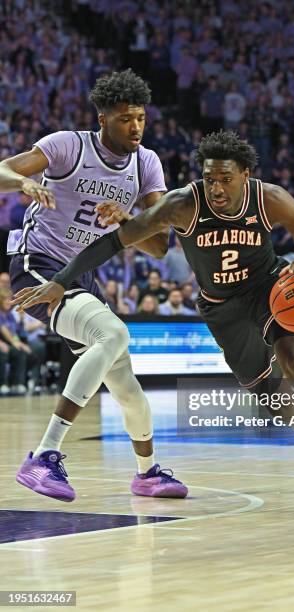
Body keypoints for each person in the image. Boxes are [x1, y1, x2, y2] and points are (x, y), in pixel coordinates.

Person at [13, 131, 294, 515]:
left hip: (271, 291)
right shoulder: (183, 203)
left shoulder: (269, 198)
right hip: (222, 309)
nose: (216, 187)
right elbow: (115, 242)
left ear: (246, 174)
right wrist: (62, 280)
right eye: (210, 178)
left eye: (225, 179)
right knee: (272, 402)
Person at [0, 69, 188, 502]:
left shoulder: (146, 163)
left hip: (83, 276)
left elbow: (160, 246)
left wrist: (127, 219)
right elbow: (4, 170)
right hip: (39, 264)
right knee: (114, 333)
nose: (136, 126)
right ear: (102, 119)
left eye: (141, 117)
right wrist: (25, 182)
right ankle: (43, 456)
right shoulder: (68, 145)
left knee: (124, 380)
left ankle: (147, 473)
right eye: (125, 118)